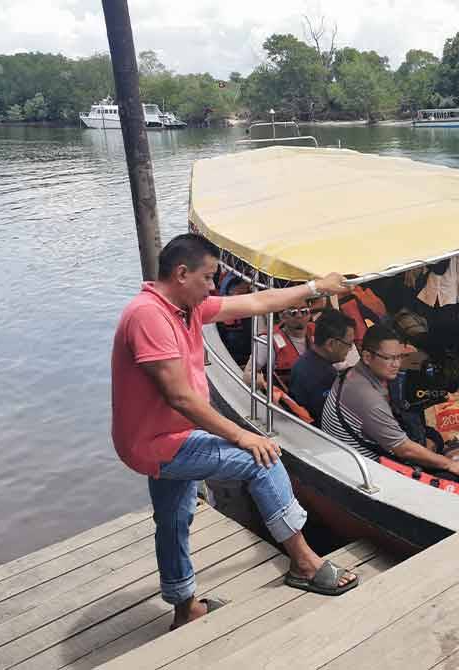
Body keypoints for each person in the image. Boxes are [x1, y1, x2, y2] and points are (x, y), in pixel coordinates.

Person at [110, 233, 357, 631]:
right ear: (181, 273)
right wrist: (243, 435)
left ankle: (184, 607)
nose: (212, 287)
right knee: (262, 459)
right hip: (161, 442)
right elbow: (180, 397)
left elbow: (259, 301)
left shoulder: (184, 307)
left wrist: (316, 287)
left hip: (169, 436)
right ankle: (305, 564)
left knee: (174, 517)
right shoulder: (148, 316)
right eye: (208, 278)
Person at [320, 324, 459, 486]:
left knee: (430, 434)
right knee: (458, 477)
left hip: (353, 453)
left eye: (399, 357)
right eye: (389, 358)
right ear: (367, 357)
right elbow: (403, 449)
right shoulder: (369, 398)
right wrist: (449, 464)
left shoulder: (349, 374)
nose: (397, 364)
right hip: (367, 472)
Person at [289, 309, 355, 425]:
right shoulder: (325, 377)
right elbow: (332, 419)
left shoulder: (304, 361)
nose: (350, 349)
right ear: (330, 344)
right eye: (348, 344)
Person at [242, 302, 311, 389]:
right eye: (292, 312)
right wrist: (260, 382)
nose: (299, 315)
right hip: (284, 398)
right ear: (281, 316)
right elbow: (248, 374)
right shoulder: (267, 340)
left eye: (304, 311)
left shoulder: (319, 332)